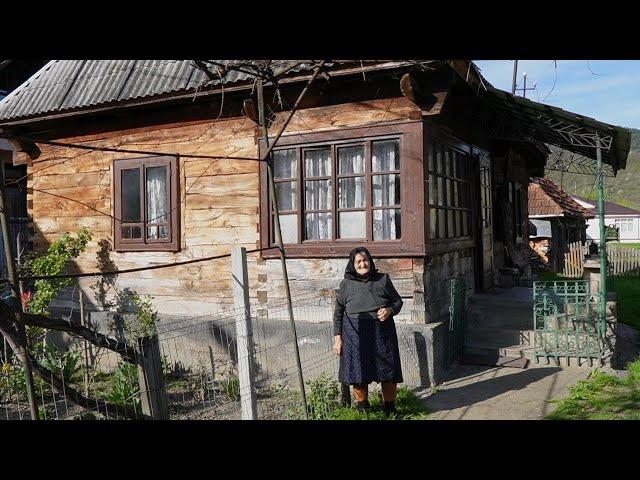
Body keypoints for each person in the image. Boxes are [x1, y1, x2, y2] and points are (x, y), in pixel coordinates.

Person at [332, 246, 404, 414]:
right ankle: (362, 408)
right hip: (354, 334)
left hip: (382, 333)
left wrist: (389, 310)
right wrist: (338, 338)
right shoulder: (346, 284)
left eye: (365, 260)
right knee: (358, 372)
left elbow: (398, 302)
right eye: (358, 261)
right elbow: (338, 313)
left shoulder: (383, 280)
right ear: (352, 264)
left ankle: (390, 408)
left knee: (388, 370)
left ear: (370, 262)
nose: (363, 264)